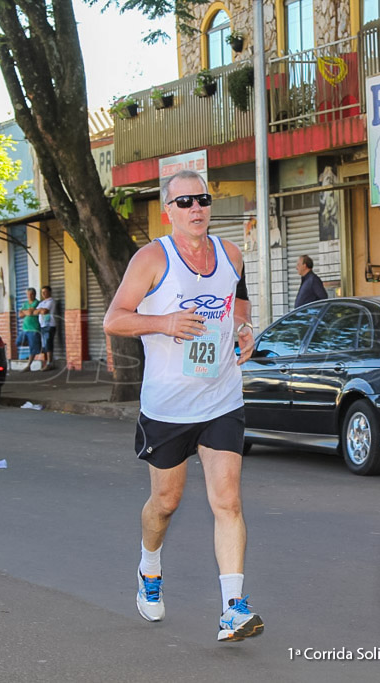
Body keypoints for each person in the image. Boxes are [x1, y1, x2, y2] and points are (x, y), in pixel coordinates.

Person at [103, 170, 261, 642]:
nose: (196, 209)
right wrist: (164, 321)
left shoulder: (230, 253)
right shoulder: (153, 258)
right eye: (185, 201)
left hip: (221, 397)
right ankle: (149, 566)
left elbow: (240, 303)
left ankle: (233, 607)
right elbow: (115, 319)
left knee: (227, 500)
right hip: (168, 406)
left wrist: (246, 330)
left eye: (203, 200)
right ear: (167, 210)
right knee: (166, 503)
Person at [18, 287, 41, 371]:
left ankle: (28, 365)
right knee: (18, 342)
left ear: (35, 294)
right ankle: (37, 346)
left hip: (34, 329)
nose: (30, 296)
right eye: (28, 294)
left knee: (32, 348)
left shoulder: (37, 303)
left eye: (32, 294)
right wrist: (26, 312)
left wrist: (25, 312)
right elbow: (20, 314)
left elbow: (30, 313)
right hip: (25, 328)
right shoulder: (25, 303)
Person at [37, 285, 57, 371]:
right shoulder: (41, 303)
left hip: (50, 325)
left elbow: (45, 311)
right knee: (44, 344)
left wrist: (40, 310)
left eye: (45, 292)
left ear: (49, 292)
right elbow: (35, 311)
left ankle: (50, 363)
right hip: (42, 325)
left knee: (49, 343)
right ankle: (46, 362)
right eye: (42, 292)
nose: (44, 294)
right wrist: (40, 310)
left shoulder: (51, 301)